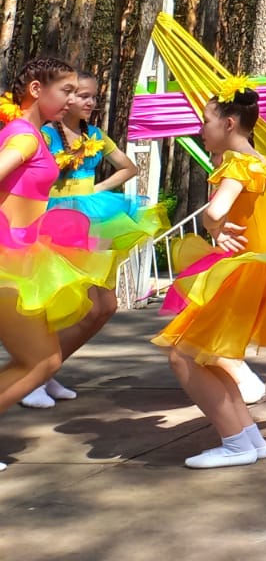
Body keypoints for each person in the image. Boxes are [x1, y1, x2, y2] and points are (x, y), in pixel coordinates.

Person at [153, 80, 266, 468]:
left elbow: (217, 212)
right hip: (261, 269)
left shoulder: (237, 164)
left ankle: (236, 443)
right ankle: (249, 438)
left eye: (205, 121)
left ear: (230, 123)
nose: (200, 129)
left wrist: (213, 225)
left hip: (241, 273)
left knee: (183, 358)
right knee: (207, 355)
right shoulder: (261, 162)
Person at [22, 70, 167, 409]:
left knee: (103, 307)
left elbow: (128, 167)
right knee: (72, 304)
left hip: (92, 217)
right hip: (55, 219)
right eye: (82, 95)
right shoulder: (44, 134)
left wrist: (95, 190)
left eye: (93, 96)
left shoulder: (96, 135)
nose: (90, 102)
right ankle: (34, 374)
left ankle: (44, 372)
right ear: (66, 98)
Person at [0, 57, 113, 469]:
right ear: (35, 90)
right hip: (8, 262)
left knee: (40, 359)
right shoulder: (25, 138)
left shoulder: (27, 133)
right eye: (64, 91)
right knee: (38, 360)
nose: (70, 99)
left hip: (21, 258)